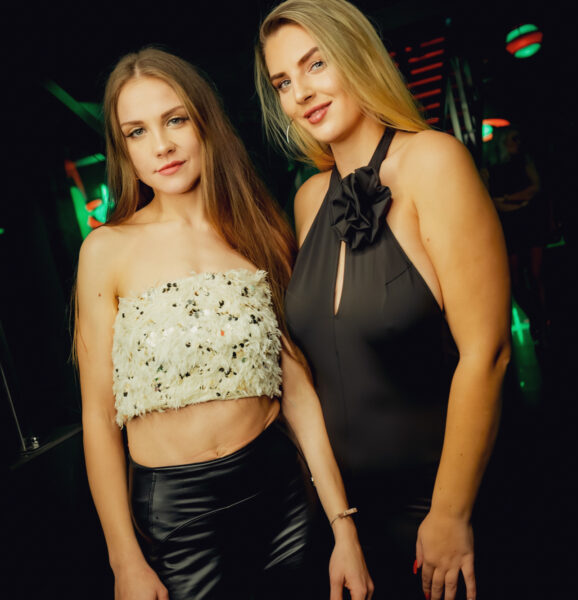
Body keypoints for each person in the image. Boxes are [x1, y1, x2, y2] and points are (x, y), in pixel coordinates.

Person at [75, 47, 373, 600]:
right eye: (137, 132)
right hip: (177, 520)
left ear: (204, 122)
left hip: (283, 496)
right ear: (124, 152)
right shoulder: (105, 250)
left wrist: (343, 527)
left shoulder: (257, 232)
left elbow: (298, 390)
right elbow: (98, 417)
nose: (161, 145)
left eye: (175, 120)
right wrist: (124, 560)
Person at [255, 1, 511, 598]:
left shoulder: (434, 161)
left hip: (441, 509)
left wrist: (450, 513)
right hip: (347, 522)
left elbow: (488, 353)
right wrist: (338, 521)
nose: (301, 93)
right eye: (283, 82)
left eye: (315, 64)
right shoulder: (308, 199)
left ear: (356, 56)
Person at [484, 128, 548, 343]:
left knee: (536, 274)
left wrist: (509, 199)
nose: (517, 142)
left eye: (518, 139)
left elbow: (535, 188)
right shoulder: (492, 168)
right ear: (503, 142)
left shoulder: (524, 161)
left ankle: (543, 321)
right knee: (515, 279)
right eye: (513, 139)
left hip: (530, 222)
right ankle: (534, 317)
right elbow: (492, 201)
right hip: (510, 225)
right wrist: (515, 202)